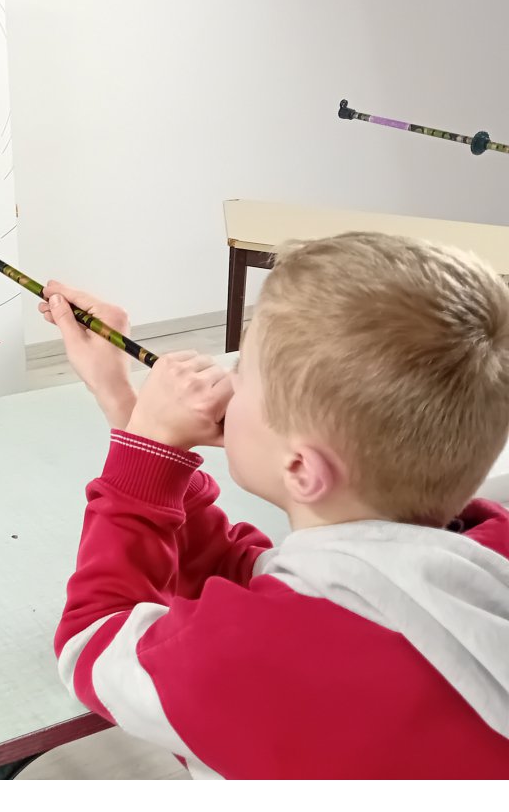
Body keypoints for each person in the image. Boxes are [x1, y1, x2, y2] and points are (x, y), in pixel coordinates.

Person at [42, 232, 509, 778]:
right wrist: (128, 409)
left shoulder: (250, 657)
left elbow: (91, 643)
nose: (225, 383)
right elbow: (248, 579)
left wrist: (147, 445)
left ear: (302, 470)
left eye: (242, 372)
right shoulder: (482, 555)